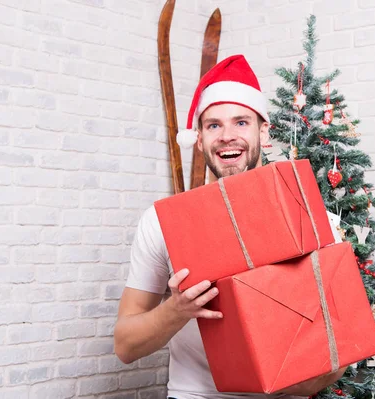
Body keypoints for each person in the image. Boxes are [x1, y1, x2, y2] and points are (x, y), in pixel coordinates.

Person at [114, 54, 346, 399]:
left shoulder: (311, 219)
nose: (227, 136)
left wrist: (297, 381)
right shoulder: (162, 222)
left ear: (263, 131)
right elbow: (125, 345)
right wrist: (176, 310)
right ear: (199, 137)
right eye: (214, 125)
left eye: (241, 123)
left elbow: (339, 343)